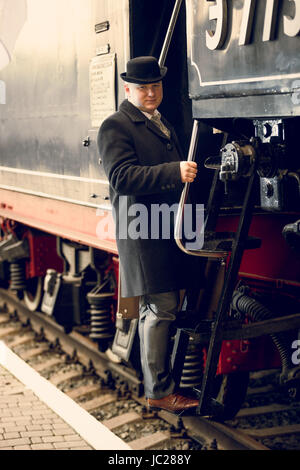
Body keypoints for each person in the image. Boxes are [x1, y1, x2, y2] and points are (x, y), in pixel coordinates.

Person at [98, 56, 199, 414]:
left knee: (164, 308)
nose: (151, 92)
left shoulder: (157, 121)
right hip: (143, 232)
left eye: (155, 85)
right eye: (143, 87)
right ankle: (158, 391)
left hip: (165, 228)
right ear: (128, 89)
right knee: (160, 309)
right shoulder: (116, 125)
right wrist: (175, 171)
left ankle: (164, 384)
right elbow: (121, 178)